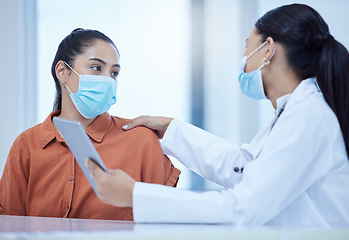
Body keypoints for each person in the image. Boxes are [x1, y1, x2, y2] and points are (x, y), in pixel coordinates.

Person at [86, 4, 349, 228]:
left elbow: (242, 208)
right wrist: (172, 130)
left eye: (248, 46)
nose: (244, 57)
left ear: (268, 49)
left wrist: (135, 195)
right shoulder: (294, 113)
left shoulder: (308, 116)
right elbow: (242, 167)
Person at [0, 28, 180, 220]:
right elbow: (9, 223)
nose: (108, 79)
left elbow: (165, 219)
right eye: (96, 68)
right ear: (62, 71)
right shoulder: (26, 144)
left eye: (114, 72)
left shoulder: (142, 140)